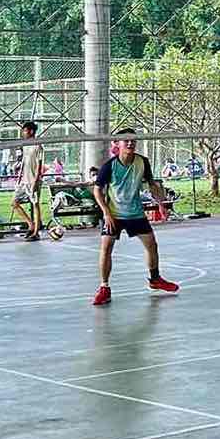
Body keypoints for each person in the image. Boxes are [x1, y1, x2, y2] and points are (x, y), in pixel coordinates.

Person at [90, 128, 179, 306]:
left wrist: (161, 203)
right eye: (126, 140)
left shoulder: (142, 162)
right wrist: (106, 213)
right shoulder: (109, 166)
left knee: (152, 245)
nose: (130, 143)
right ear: (117, 144)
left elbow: (152, 185)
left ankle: (155, 279)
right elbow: (97, 190)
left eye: (133, 140)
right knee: (106, 248)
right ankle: (104, 287)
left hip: (136, 213)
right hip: (114, 214)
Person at [10, 121, 44, 241]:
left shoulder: (38, 146)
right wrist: (19, 177)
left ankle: (36, 232)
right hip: (24, 181)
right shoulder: (25, 145)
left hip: (33, 180)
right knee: (14, 203)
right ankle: (31, 224)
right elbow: (24, 162)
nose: (23, 133)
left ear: (31, 131)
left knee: (35, 204)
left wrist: (35, 181)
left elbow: (39, 165)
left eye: (25, 131)